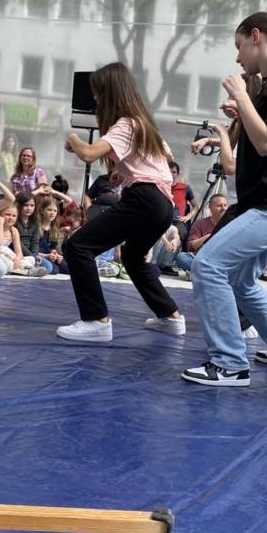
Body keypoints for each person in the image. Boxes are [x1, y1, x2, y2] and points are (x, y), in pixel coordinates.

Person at [182, 12, 267, 386]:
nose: (237, 58)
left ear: (256, 37)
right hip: (265, 204)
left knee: (207, 266)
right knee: (243, 282)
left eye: (239, 47)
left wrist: (241, 94)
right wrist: (244, 107)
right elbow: (255, 143)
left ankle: (230, 363)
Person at [57, 61, 185, 341]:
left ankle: (96, 321)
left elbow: (89, 153)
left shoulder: (126, 124)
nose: (95, 98)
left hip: (144, 200)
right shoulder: (144, 126)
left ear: (111, 93)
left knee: (78, 245)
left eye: (98, 92)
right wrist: (123, 172)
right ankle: (170, 316)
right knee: (132, 257)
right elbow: (166, 158)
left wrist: (73, 139)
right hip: (162, 205)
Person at [174, 192, 229, 277]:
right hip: (202, 260)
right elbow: (191, 246)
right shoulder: (200, 223)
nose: (223, 208)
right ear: (210, 207)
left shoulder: (232, 224)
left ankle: (201, 273)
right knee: (181, 257)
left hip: (223, 261)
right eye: (219, 206)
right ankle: (212, 274)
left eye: (225, 205)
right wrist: (209, 236)